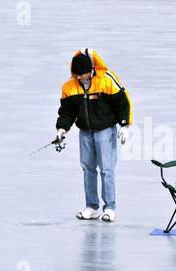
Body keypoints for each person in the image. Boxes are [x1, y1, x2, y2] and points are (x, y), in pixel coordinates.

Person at [54, 48, 132, 222]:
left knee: (106, 169)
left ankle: (110, 208)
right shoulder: (69, 86)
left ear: (89, 71)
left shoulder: (106, 80)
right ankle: (92, 207)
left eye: (81, 74)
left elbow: (123, 102)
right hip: (85, 131)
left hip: (105, 130)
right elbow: (67, 111)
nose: (78, 77)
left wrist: (125, 125)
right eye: (76, 74)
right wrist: (61, 129)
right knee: (88, 169)